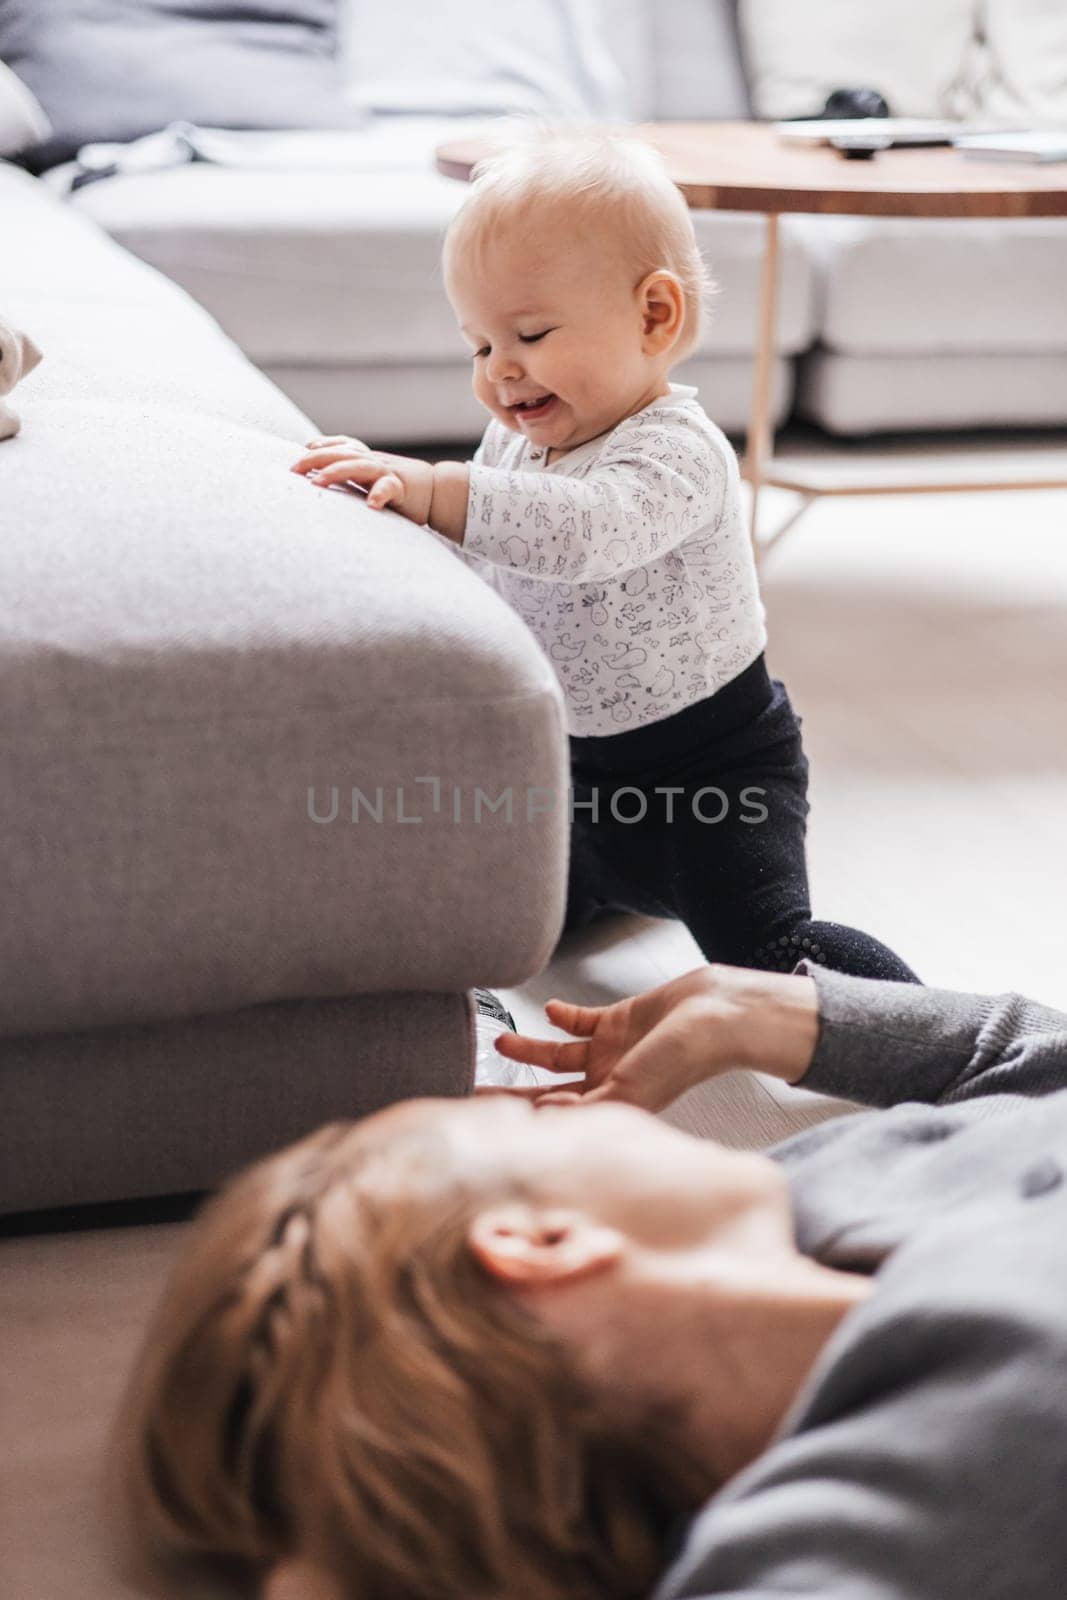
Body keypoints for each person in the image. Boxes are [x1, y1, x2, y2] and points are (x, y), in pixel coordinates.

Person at [113, 958, 1067, 1600]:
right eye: (522, 1123)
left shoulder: (813, 1195)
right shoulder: (868, 1517)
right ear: (543, 1243)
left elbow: (1034, 1071)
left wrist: (786, 1015)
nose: (561, 1113)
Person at [289, 124, 916, 985]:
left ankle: (946, 1051)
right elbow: (488, 566)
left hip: (716, 785)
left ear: (653, 315)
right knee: (466, 918)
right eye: (479, 345)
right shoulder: (512, 444)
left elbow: (583, 531)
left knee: (773, 957)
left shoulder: (678, 451)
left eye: (532, 334)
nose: (499, 373)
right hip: (575, 784)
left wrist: (436, 489)